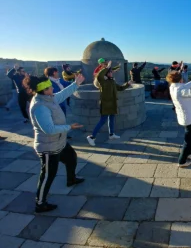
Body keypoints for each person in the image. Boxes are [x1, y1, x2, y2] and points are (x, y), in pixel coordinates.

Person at [23, 73, 85, 213]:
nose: (52, 89)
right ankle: (40, 203)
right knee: (47, 175)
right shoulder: (40, 106)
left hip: (59, 142)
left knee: (71, 158)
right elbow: (49, 129)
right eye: (50, 88)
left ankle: (71, 179)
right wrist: (69, 127)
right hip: (48, 147)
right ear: (43, 90)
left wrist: (76, 84)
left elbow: (63, 94)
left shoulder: (49, 98)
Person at [87, 62, 134, 146]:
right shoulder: (103, 81)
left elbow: (120, 88)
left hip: (112, 103)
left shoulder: (112, 81)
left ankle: (111, 134)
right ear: (107, 73)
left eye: (112, 72)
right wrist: (106, 67)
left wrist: (128, 84)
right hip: (106, 104)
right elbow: (99, 76)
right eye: (111, 72)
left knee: (111, 118)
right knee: (103, 120)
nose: (112, 73)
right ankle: (92, 137)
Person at [167, 68, 191, 167]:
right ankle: (182, 161)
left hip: (185, 116)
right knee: (188, 140)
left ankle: (188, 153)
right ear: (180, 79)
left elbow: (185, 85)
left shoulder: (173, 86)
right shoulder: (180, 89)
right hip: (188, 118)